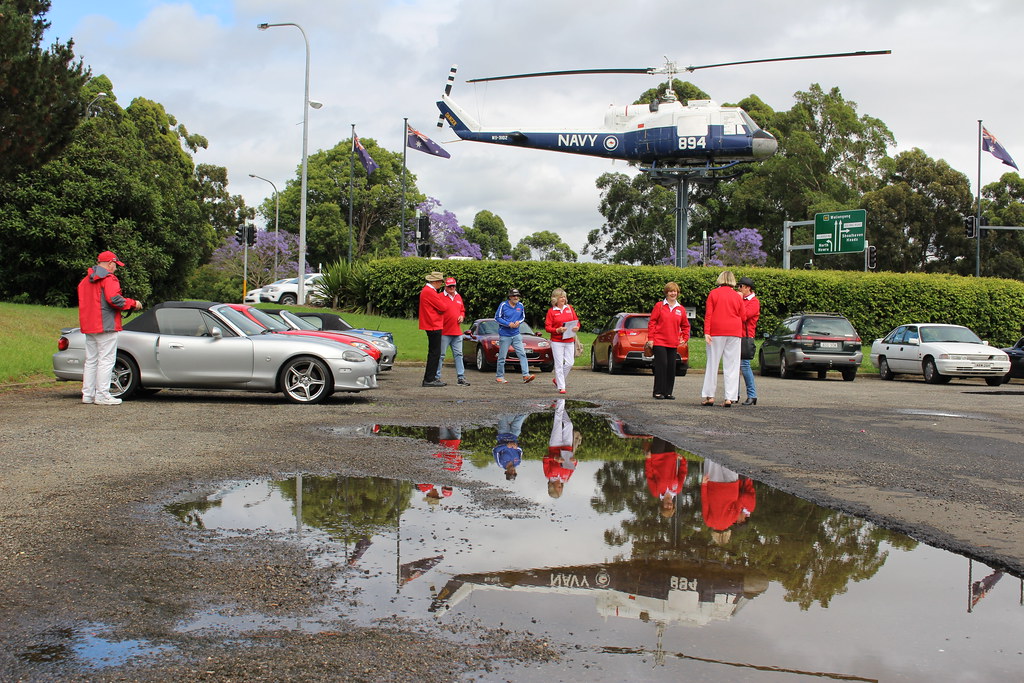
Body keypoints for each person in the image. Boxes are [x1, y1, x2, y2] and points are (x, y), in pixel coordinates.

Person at [76, 250, 142, 405]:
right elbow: (114, 299)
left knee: (91, 360)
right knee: (106, 360)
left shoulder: (85, 280)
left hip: (89, 325)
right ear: (110, 263)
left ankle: (88, 394)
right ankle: (102, 395)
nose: (116, 268)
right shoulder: (109, 278)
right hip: (106, 325)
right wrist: (133, 303)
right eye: (115, 265)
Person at [701, 271, 745, 407]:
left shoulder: (713, 293)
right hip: (734, 331)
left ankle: (709, 396)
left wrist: (706, 332)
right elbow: (743, 316)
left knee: (712, 363)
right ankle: (729, 398)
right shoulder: (737, 296)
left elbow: (709, 314)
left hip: (716, 330)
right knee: (732, 365)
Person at [648, 281, 691, 400]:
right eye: (671, 291)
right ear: (666, 293)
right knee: (662, 365)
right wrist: (651, 339)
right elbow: (652, 323)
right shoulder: (659, 306)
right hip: (659, 341)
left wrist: (685, 337)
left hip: (673, 342)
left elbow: (685, 326)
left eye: (675, 291)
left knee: (671, 367)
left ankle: (668, 392)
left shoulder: (680, 309)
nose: (673, 293)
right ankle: (658, 392)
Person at [701, 459, 756, 545]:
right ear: (714, 535)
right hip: (714, 488)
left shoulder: (732, 520)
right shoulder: (708, 522)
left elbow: (739, 502)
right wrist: (704, 485)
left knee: (730, 460)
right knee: (713, 458)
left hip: (731, 488)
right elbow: (705, 502)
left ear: (727, 534)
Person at [494, 288, 535, 384]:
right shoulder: (503, 305)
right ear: (509, 297)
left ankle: (526, 375)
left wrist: (518, 322)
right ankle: (499, 376)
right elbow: (497, 318)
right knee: (502, 357)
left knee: (522, 354)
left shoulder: (520, 305)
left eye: (517, 296)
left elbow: (522, 317)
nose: (516, 297)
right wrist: (508, 324)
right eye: (513, 296)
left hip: (516, 334)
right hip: (505, 335)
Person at [435, 277, 470, 386]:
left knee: (459, 355)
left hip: (457, 332)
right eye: (450, 286)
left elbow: (462, 310)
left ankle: (461, 377)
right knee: (441, 355)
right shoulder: (439, 297)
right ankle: (436, 377)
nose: (452, 288)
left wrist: (462, 316)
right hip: (444, 331)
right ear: (445, 286)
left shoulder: (458, 296)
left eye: (453, 286)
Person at [544, 287, 579, 394]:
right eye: (561, 297)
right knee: (559, 364)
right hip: (557, 341)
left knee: (570, 363)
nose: (563, 299)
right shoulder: (551, 311)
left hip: (569, 339)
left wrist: (577, 327)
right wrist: (557, 330)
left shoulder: (570, 308)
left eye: (564, 297)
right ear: (555, 299)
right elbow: (547, 327)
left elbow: (576, 321)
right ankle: (561, 386)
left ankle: (557, 380)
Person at [543, 399, 578, 497]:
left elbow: (545, 459)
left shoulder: (548, 475)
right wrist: (574, 461)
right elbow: (574, 465)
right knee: (568, 425)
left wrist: (554, 458)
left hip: (555, 446)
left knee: (557, 423)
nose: (561, 487)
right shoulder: (566, 479)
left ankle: (560, 401)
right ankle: (558, 406)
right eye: (561, 489)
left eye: (558, 488)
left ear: (552, 487)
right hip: (567, 448)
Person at [418, 271, 448, 387]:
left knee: (434, 352)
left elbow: (440, 307)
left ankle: (430, 378)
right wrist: (440, 309)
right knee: (435, 352)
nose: (441, 284)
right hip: (433, 324)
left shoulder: (428, 291)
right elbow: (443, 307)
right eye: (440, 282)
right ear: (435, 282)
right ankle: (429, 379)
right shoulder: (429, 292)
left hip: (431, 324)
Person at [645, 437, 687, 518]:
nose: (669, 506)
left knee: (659, 432)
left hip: (657, 456)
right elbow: (682, 473)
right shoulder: (677, 489)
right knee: (668, 431)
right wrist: (683, 461)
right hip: (671, 455)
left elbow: (649, 475)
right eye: (671, 508)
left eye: (666, 508)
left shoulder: (656, 492)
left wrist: (648, 459)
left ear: (662, 505)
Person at [737, 276, 760, 406]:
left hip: (746, 337)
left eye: (741, 286)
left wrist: (739, 301)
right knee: (734, 367)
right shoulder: (742, 300)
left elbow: (744, 316)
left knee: (745, 366)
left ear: (747, 288)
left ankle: (752, 395)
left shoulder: (754, 302)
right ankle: (734, 394)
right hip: (735, 336)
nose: (738, 289)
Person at [494, 413, 526, 480]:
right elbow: (520, 450)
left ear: (506, 472)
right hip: (514, 435)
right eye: (514, 473)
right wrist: (516, 447)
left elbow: (495, 450)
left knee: (501, 415)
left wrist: (506, 446)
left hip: (503, 435)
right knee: (522, 415)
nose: (513, 471)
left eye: (510, 473)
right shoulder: (518, 462)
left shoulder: (500, 463)